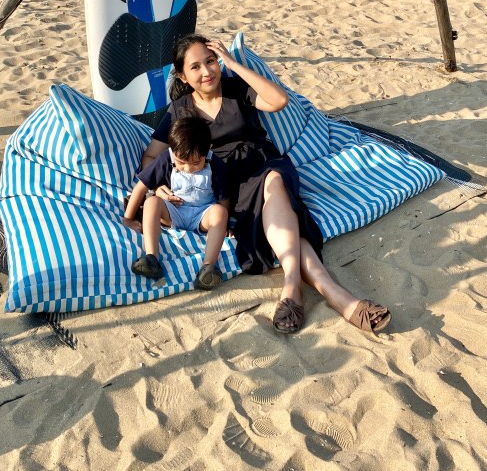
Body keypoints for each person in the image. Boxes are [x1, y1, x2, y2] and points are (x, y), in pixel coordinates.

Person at [139, 34, 391, 335]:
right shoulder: (180, 110)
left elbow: (279, 100)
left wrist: (233, 64)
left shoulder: (236, 89)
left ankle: (294, 287)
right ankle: (335, 295)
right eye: (196, 67)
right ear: (182, 75)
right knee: (280, 212)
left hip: (264, 164)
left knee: (274, 183)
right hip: (228, 183)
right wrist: (158, 188)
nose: (207, 72)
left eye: (211, 61)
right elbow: (153, 156)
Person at [124, 115, 229, 290]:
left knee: (220, 212)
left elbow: (224, 198)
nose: (188, 168)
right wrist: (128, 218)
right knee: (152, 202)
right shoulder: (166, 159)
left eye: (196, 163)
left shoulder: (215, 163)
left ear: (207, 150)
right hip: (174, 212)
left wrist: (224, 224)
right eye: (181, 162)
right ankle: (152, 258)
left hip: (202, 215)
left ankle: (209, 267)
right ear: (173, 151)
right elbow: (141, 187)